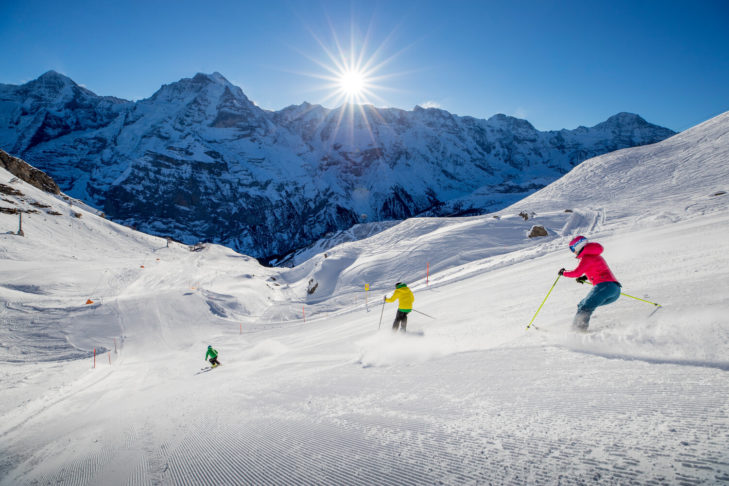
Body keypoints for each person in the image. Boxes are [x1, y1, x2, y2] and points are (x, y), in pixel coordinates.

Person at [559, 235, 621, 331]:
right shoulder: (595, 255)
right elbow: (599, 271)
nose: (573, 252)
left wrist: (563, 273)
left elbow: (576, 273)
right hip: (614, 290)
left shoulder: (587, 257)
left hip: (604, 286)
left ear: (578, 246)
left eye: (572, 248)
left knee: (585, 307)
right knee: (582, 305)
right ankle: (578, 329)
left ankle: (578, 332)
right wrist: (585, 277)